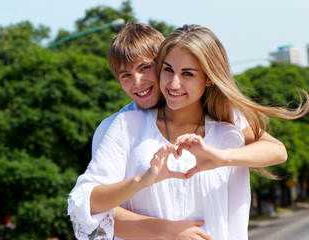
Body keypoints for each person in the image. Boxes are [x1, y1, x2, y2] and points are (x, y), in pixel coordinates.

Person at [68, 23, 308, 239]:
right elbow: (94, 210)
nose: (138, 82)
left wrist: (220, 157)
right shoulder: (120, 126)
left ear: (209, 78)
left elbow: (276, 150)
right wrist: (166, 227)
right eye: (126, 75)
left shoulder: (227, 128)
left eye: (145, 68)